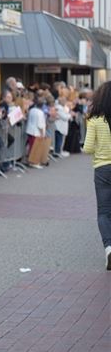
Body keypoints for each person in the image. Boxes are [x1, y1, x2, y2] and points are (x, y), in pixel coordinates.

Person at [83, 81, 111, 270]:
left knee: (104, 211)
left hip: (102, 168)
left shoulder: (94, 120)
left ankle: (109, 247)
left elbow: (87, 148)